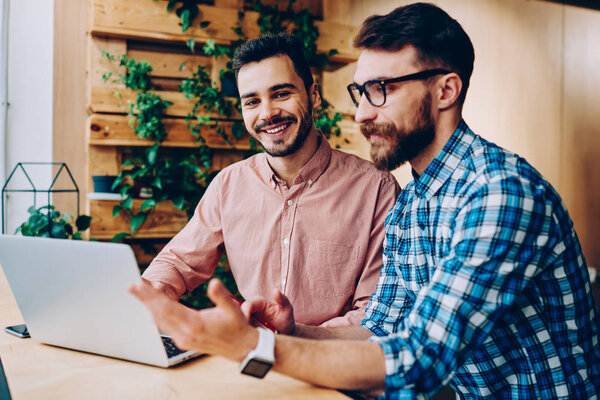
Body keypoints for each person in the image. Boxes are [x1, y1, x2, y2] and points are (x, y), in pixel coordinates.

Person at [130, 3, 600, 399]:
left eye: (381, 90)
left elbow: (419, 359)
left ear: (445, 91)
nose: (360, 113)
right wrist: (287, 331)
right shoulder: (415, 201)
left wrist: (256, 349)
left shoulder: (498, 192)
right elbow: (383, 326)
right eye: (360, 92)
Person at [142, 33, 399, 326]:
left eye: (281, 94)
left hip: (329, 361)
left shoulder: (377, 189)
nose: (267, 113)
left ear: (313, 95)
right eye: (252, 101)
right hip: (249, 354)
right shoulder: (229, 185)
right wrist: (150, 294)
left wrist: (292, 340)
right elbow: (178, 262)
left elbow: (374, 313)